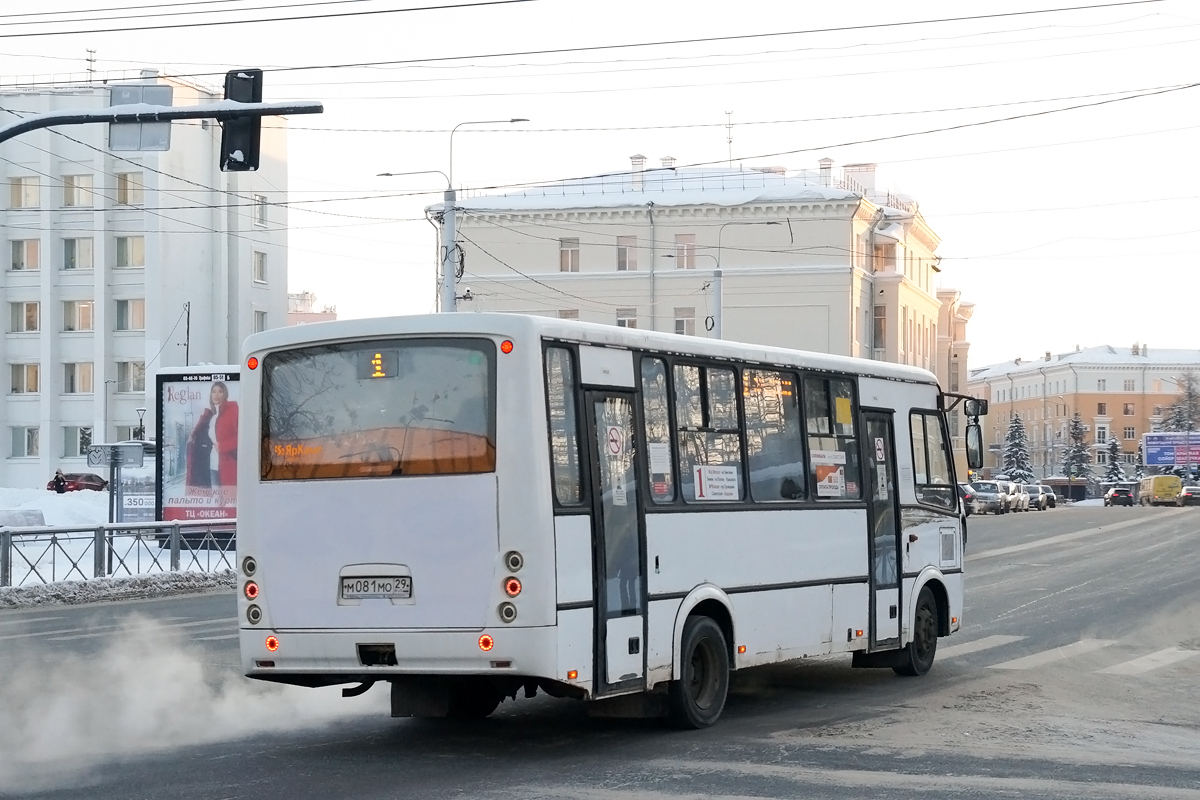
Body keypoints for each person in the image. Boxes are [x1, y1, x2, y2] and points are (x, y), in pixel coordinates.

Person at [186, 381, 239, 487]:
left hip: (228, 465)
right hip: (212, 465)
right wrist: (194, 438)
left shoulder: (232, 409)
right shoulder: (211, 416)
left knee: (228, 500)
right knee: (215, 501)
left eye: (220, 391)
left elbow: (242, 436)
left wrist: (223, 446)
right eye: (214, 392)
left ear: (225, 394)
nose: (217, 395)